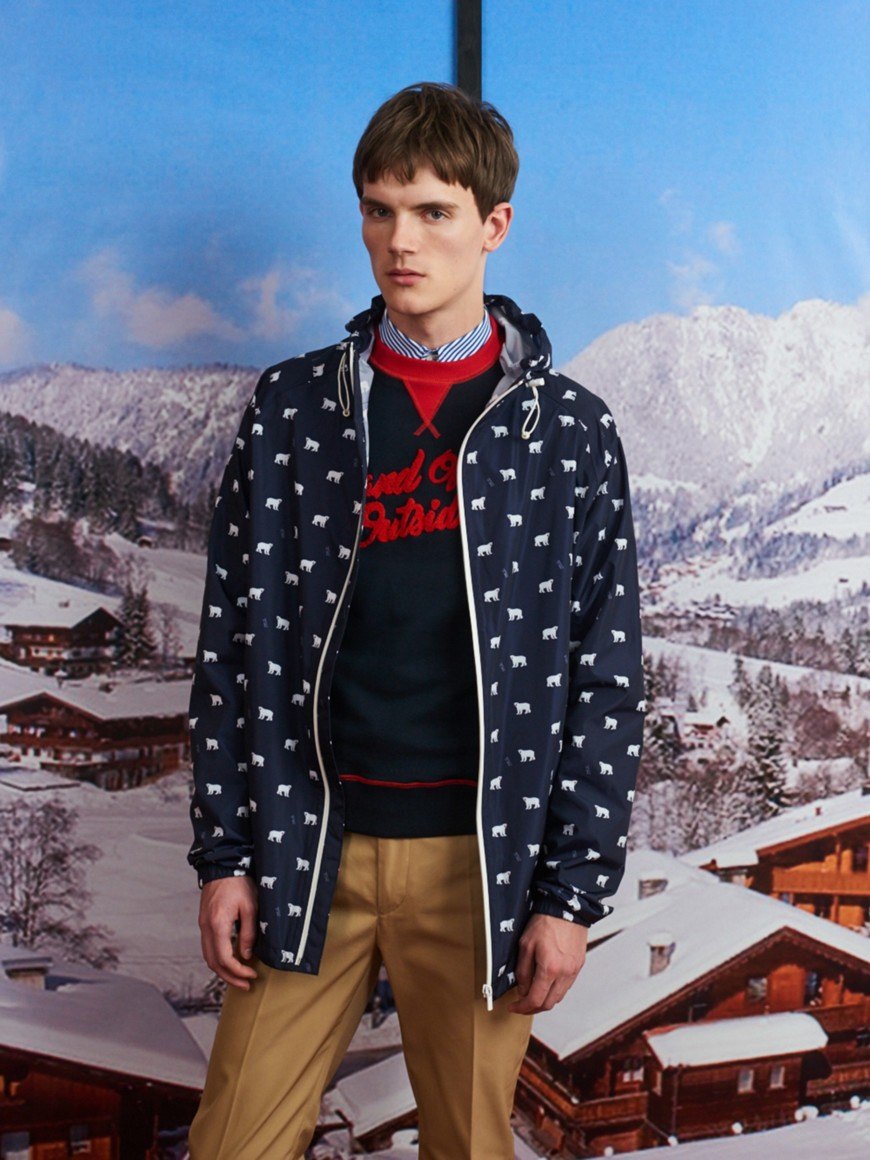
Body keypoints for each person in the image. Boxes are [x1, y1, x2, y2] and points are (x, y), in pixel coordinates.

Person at [186, 81, 645, 1160]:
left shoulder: (569, 432)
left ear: (494, 225)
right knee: (232, 1143)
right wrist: (224, 854)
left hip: (480, 862)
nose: (401, 241)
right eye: (380, 210)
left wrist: (570, 895)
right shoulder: (293, 409)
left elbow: (607, 675)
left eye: (435, 212)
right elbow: (230, 647)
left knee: (471, 1146)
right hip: (310, 842)